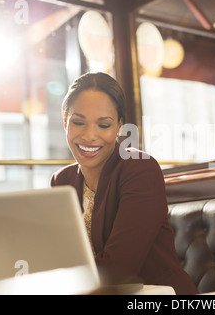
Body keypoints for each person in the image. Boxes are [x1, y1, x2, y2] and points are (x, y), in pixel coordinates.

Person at [50, 72, 199, 295]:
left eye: (104, 125)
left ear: (119, 126)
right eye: (79, 122)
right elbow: (58, 255)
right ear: (65, 121)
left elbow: (118, 271)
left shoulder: (140, 170)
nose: (89, 135)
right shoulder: (61, 181)